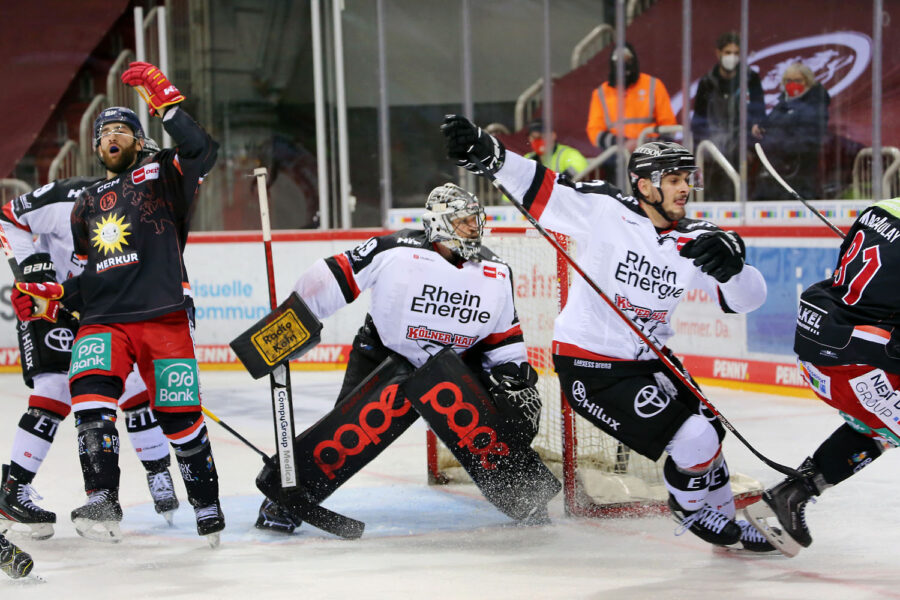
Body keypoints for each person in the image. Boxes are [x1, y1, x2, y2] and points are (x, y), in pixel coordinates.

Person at [441, 114, 774, 552]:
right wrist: (490, 151)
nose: (683, 187)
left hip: (650, 359)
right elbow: (543, 187)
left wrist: (736, 270)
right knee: (694, 438)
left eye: (686, 179)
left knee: (711, 429)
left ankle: (725, 515)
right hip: (590, 365)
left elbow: (748, 300)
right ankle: (690, 509)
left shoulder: (699, 238)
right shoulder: (604, 210)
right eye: (672, 178)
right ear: (644, 185)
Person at [11, 62, 223, 545]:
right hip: (104, 323)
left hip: (161, 317)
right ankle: (103, 496)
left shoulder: (163, 174)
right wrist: (51, 300)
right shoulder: (86, 202)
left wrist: (166, 100)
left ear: (138, 141)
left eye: (122, 129)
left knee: (180, 419)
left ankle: (206, 503)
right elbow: (88, 276)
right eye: (104, 131)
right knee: (88, 398)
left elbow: (201, 150)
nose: (111, 136)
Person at [254, 182, 546, 533]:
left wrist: (512, 375)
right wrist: (287, 324)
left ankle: (526, 495)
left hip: (452, 368)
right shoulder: (394, 249)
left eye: (475, 220)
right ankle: (284, 501)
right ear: (438, 223)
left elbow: (504, 337)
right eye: (464, 221)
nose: (474, 228)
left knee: (486, 427)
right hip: (383, 355)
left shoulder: (496, 272)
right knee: (346, 434)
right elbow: (332, 277)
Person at [0, 171, 180, 541]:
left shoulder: (145, 209)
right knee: (54, 389)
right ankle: (12, 489)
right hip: (49, 304)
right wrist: (31, 271)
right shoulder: (66, 197)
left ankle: (158, 471)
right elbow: (9, 215)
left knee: (131, 386)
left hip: (101, 306)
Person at [745, 197, 900, 556]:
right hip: (858, 367)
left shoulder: (881, 209)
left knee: (880, 428)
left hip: (822, 351)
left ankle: (790, 495)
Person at [585, 42, 677, 182]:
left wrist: (643, 143)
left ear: (634, 61)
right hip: (616, 157)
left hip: (652, 155)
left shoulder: (653, 85)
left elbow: (669, 126)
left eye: (627, 60)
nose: (623, 64)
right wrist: (623, 143)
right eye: (618, 60)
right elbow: (594, 131)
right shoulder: (601, 93)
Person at [690, 31, 765, 202]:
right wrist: (701, 146)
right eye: (728, 52)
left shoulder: (750, 79)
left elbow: (758, 112)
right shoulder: (707, 82)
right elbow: (699, 119)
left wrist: (751, 133)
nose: (732, 57)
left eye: (736, 53)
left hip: (741, 144)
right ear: (718, 53)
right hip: (712, 145)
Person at [752, 62, 830, 200]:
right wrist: (760, 128)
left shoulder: (815, 106)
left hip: (798, 175)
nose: (792, 84)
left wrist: (774, 142)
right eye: (788, 80)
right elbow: (770, 124)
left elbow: (808, 139)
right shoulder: (782, 104)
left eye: (798, 80)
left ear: (808, 82)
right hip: (773, 174)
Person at [524, 119, 588, 179]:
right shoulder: (527, 158)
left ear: (553, 135)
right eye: (534, 137)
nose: (538, 141)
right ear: (529, 139)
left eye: (542, 136)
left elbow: (580, 167)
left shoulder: (568, 154)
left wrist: (557, 181)